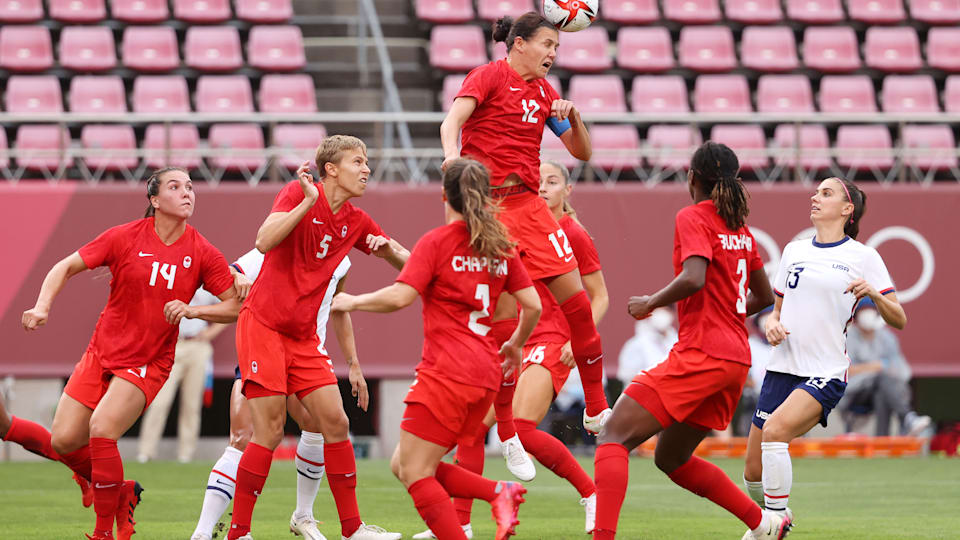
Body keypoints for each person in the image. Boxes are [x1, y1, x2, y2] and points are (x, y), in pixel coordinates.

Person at [21, 167, 237, 540]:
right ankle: (120, 492)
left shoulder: (201, 250)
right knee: (64, 441)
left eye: (190, 186)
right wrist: (42, 307)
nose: (187, 192)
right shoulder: (125, 237)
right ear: (154, 200)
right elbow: (65, 266)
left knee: (101, 430)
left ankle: (104, 532)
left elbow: (235, 305)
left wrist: (194, 310)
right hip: (101, 351)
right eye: (175, 186)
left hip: (149, 360)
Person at [331, 158, 540, 540]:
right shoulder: (500, 246)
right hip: (485, 377)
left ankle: (487, 505)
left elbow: (400, 297)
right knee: (404, 464)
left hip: (447, 373)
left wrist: (352, 301)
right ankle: (499, 491)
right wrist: (515, 344)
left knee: (413, 472)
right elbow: (534, 305)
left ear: (445, 194)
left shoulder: (437, 242)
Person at [219, 135, 407, 540]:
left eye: (367, 161)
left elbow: (412, 266)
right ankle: (238, 532)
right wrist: (305, 202)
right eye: (358, 161)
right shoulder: (298, 192)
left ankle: (353, 529)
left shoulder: (357, 220)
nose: (367, 169)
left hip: (303, 338)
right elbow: (263, 242)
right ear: (331, 169)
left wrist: (387, 249)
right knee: (268, 432)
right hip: (263, 326)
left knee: (336, 423)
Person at [593, 142, 785, 540]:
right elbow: (765, 298)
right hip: (735, 360)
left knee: (613, 436)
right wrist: (728, 314)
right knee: (672, 457)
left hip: (704, 353)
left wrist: (651, 302)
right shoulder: (741, 229)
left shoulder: (693, 217)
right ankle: (764, 523)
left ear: (692, 178)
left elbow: (694, 276)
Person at [416, 159, 608, 539]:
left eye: (553, 182)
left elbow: (599, 297)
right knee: (472, 432)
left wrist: (576, 339)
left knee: (518, 428)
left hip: (551, 338)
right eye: (540, 181)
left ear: (568, 191)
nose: (544, 188)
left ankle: (592, 494)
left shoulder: (571, 231)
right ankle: (462, 525)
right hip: (517, 338)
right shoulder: (509, 228)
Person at [440, 12, 612, 433]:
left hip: (529, 207)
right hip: (489, 211)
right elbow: (452, 123)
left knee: (578, 306)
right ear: (520, 44)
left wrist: (573, 117)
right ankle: (502, 427)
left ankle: (596, 406)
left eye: (556, 47)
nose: (553, 53)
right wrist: (451, 159)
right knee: (496, 322)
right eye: (547, 45)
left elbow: (582, 152)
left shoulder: (545, 91)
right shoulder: (487, 76)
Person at [742, 177, 907, 534]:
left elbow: (900, 318)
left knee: (775, 432)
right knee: (752, 473)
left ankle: (774, 525)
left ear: (848, 209)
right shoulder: (793, 250)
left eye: (826, 193)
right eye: (816, 192)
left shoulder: (864, 256)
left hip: (826, 371)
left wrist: (876, 296)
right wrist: (772, 323)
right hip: (782, 368)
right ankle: (773, 516)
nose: (814, 197)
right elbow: (776, 309)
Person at [187, 247, 370, 540]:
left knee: (323, 425)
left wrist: (353, 363)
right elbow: (231, 272)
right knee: (245, 437)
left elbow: (339, 306)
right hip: (266, 349)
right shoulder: (283, 244)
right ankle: (205, 531)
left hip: (308, 357)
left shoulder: (342, 257)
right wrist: (229, 280)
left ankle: (304, 516)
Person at [138, 288, 225, 464]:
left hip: (197, 345)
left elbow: (230, 306)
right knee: (160, 401)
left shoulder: (206, 284)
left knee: (191, 404)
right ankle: (146, 451)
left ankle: (186, 454)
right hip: (173, 344)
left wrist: (211, 332)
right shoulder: (173, 278)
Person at [840, 300, 930, 436]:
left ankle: (882, 438)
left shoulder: (887, 337)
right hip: (854, 392)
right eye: (863, 311)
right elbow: (845, 371)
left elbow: (901, 370)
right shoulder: (848, 338)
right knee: (882, 378)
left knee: (882, 391)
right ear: (856, 316)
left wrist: (886, 372)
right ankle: (907, 417)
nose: (867, 315)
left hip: (882, 388)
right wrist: (873, 368)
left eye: (870, 310)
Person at [616, 309, 677, 384]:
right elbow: (625, 374)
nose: (662, 312)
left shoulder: (677, 340)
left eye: (666, 308)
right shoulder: (636, 343)